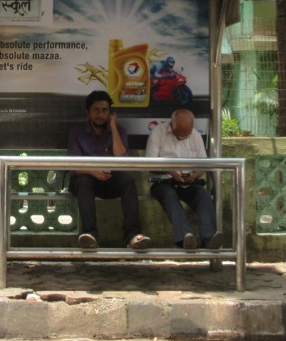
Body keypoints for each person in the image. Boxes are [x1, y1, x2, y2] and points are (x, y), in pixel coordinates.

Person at [67, 90, 151, 250]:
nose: (100, 115)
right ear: (88, 112)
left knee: (128, 181)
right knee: (84, 182)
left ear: (110, 113)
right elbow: (73, 166)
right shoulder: (76, 132)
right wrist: (93, 171)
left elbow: (122, 158)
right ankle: (91, 235)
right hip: (85, 180)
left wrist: (112, 126)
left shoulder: (119, 131)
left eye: (104, 110)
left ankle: (133, 236)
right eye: (96, 110)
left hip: (109, 179)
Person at [145, 109, 223, 250]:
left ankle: (209, 238)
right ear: (172, 125)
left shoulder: (195, 135)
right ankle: (185, 237)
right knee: (169, 196)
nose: (185, 136)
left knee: (204, 195)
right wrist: (170, 171)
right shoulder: (158, 132)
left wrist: (194, 175)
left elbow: (202, 165)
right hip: (162, 180)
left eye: (187, 132)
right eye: (181, 133)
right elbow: (149, 164)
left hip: (188, 182)